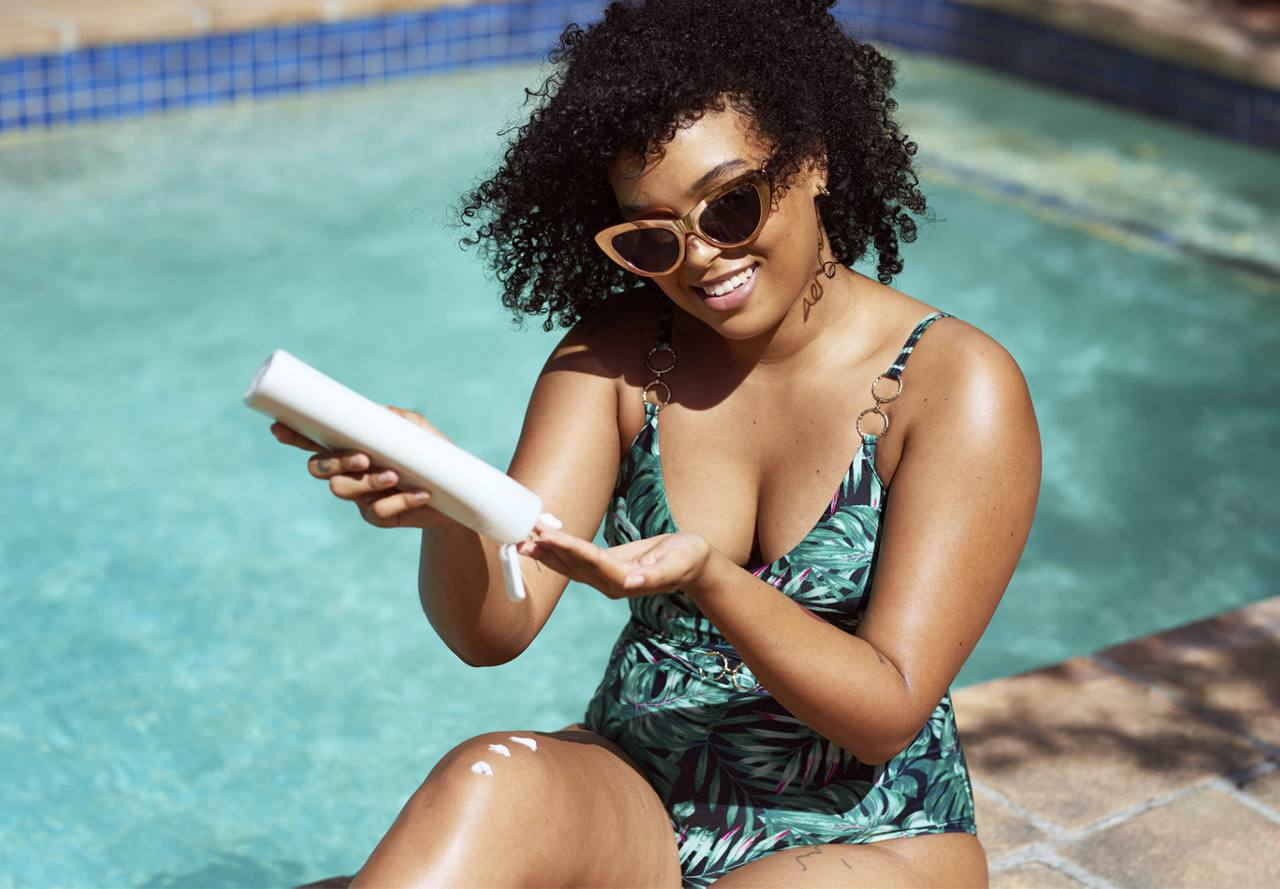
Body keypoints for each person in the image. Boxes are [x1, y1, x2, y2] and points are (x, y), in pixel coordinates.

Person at [276, 1, 1042, 886]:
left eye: (730, 205)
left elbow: (886, 710)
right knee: (483, 784)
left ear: (816, 160)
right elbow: (497, 629)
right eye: (652, 236)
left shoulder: (954, 385)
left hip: (865, 831)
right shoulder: (616, 359)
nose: (701, 257)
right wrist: (443, 510)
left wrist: (708, 578)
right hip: (642, 792)